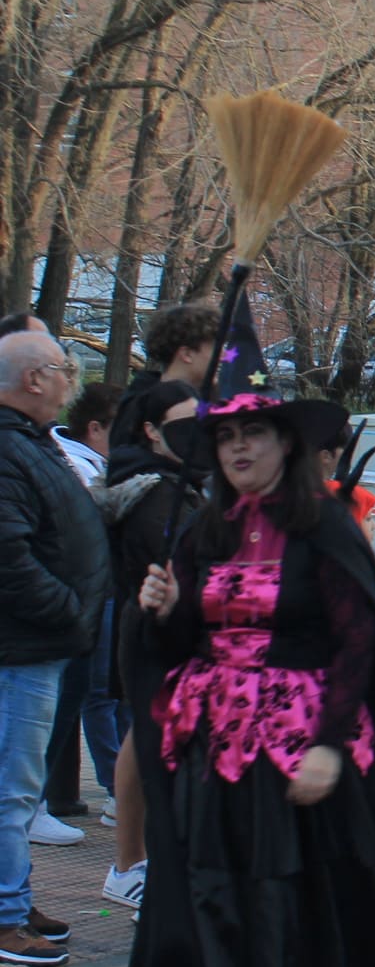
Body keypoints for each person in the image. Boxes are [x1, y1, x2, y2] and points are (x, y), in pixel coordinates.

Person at [128, 315, 375, 967]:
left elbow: (358, 639)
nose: (239, 449)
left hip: (299, 744)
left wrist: (326, 743)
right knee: (214, 893)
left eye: (253, 434)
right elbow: (179, 647)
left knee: (292, 899)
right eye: (226, 436)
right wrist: (162, 613)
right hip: (214, 752)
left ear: (286, 443)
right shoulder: (205, 532)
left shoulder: (319, 523)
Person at [0, 331, 106, 967]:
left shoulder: (31, 443)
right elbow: (8, 555)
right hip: (24, 648)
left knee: (20, 783)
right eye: (64, 368)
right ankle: (6, 914)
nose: (72, 377)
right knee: (13, 787)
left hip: (40, 644)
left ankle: (14, 895)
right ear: (34, 380)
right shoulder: (9, 449)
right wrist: (69, 610)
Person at [87, 381, 203, 912]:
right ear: (153, 431)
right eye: (181, 422)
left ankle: (148, 859)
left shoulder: (188, 482)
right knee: (146, 737)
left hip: (176, 625)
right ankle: (128, 864)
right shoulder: (153, 488)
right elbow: (164, 558)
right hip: (152, 626)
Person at [42, 383, 122, 833]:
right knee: (93, 692)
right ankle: (111, 790)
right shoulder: (74, 466)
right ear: (94, 429)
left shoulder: (92, 463)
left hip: (95, 590)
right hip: (86, 593)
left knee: (100, 692)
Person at [136, 304, 220, 393]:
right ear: (187, 354)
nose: (224, 355)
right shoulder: (180, 404)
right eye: (215, 348)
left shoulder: (140, 394)